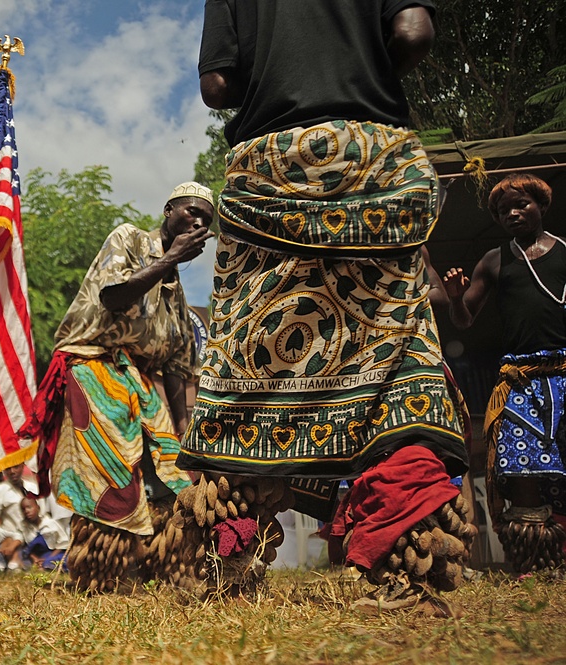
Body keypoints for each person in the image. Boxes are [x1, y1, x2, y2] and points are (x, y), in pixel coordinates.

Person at [176, 0, 470, 602]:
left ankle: (233, 560)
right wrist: (355, 74)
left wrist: (284, 78)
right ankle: (404, 557)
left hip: (271, 169)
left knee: (255, 357)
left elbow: (216, 86)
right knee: (395, 349)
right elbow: (413, 35)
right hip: (374, 159)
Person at [19, 182, 212, 591]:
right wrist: (169, 258)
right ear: (167, 210)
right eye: (190, 211)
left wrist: (182, 427)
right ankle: (102, 572)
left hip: (138, 380)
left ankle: (159, 565)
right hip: (94, 364)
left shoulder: (175, 288)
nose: (197, 220)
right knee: (108, 474)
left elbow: (176, 364)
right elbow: (113, 297)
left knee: (171, 472)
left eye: (205, 219)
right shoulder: (129, 238)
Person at [442, 174, 566, 572]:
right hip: (520, 382)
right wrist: (456, 299)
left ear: (541, 206)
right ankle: (533, 563)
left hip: (565, 373)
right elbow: (463, 322)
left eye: (521, 205)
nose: (512, 213)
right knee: (521, 468)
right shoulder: (495, 260)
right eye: (502, 211)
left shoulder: (565, 253)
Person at [20, 495, 69, 571]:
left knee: (63, 560)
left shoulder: (50, 524)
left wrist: (47, 558)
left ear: (38, 508)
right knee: (22, 561)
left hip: (54, 554)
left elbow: (62, 545)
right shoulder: (26, 528)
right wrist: (35, 559)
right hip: (38, 557)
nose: (27, 511)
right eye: (23, 509)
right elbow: (28, 549)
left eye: (29, 507)